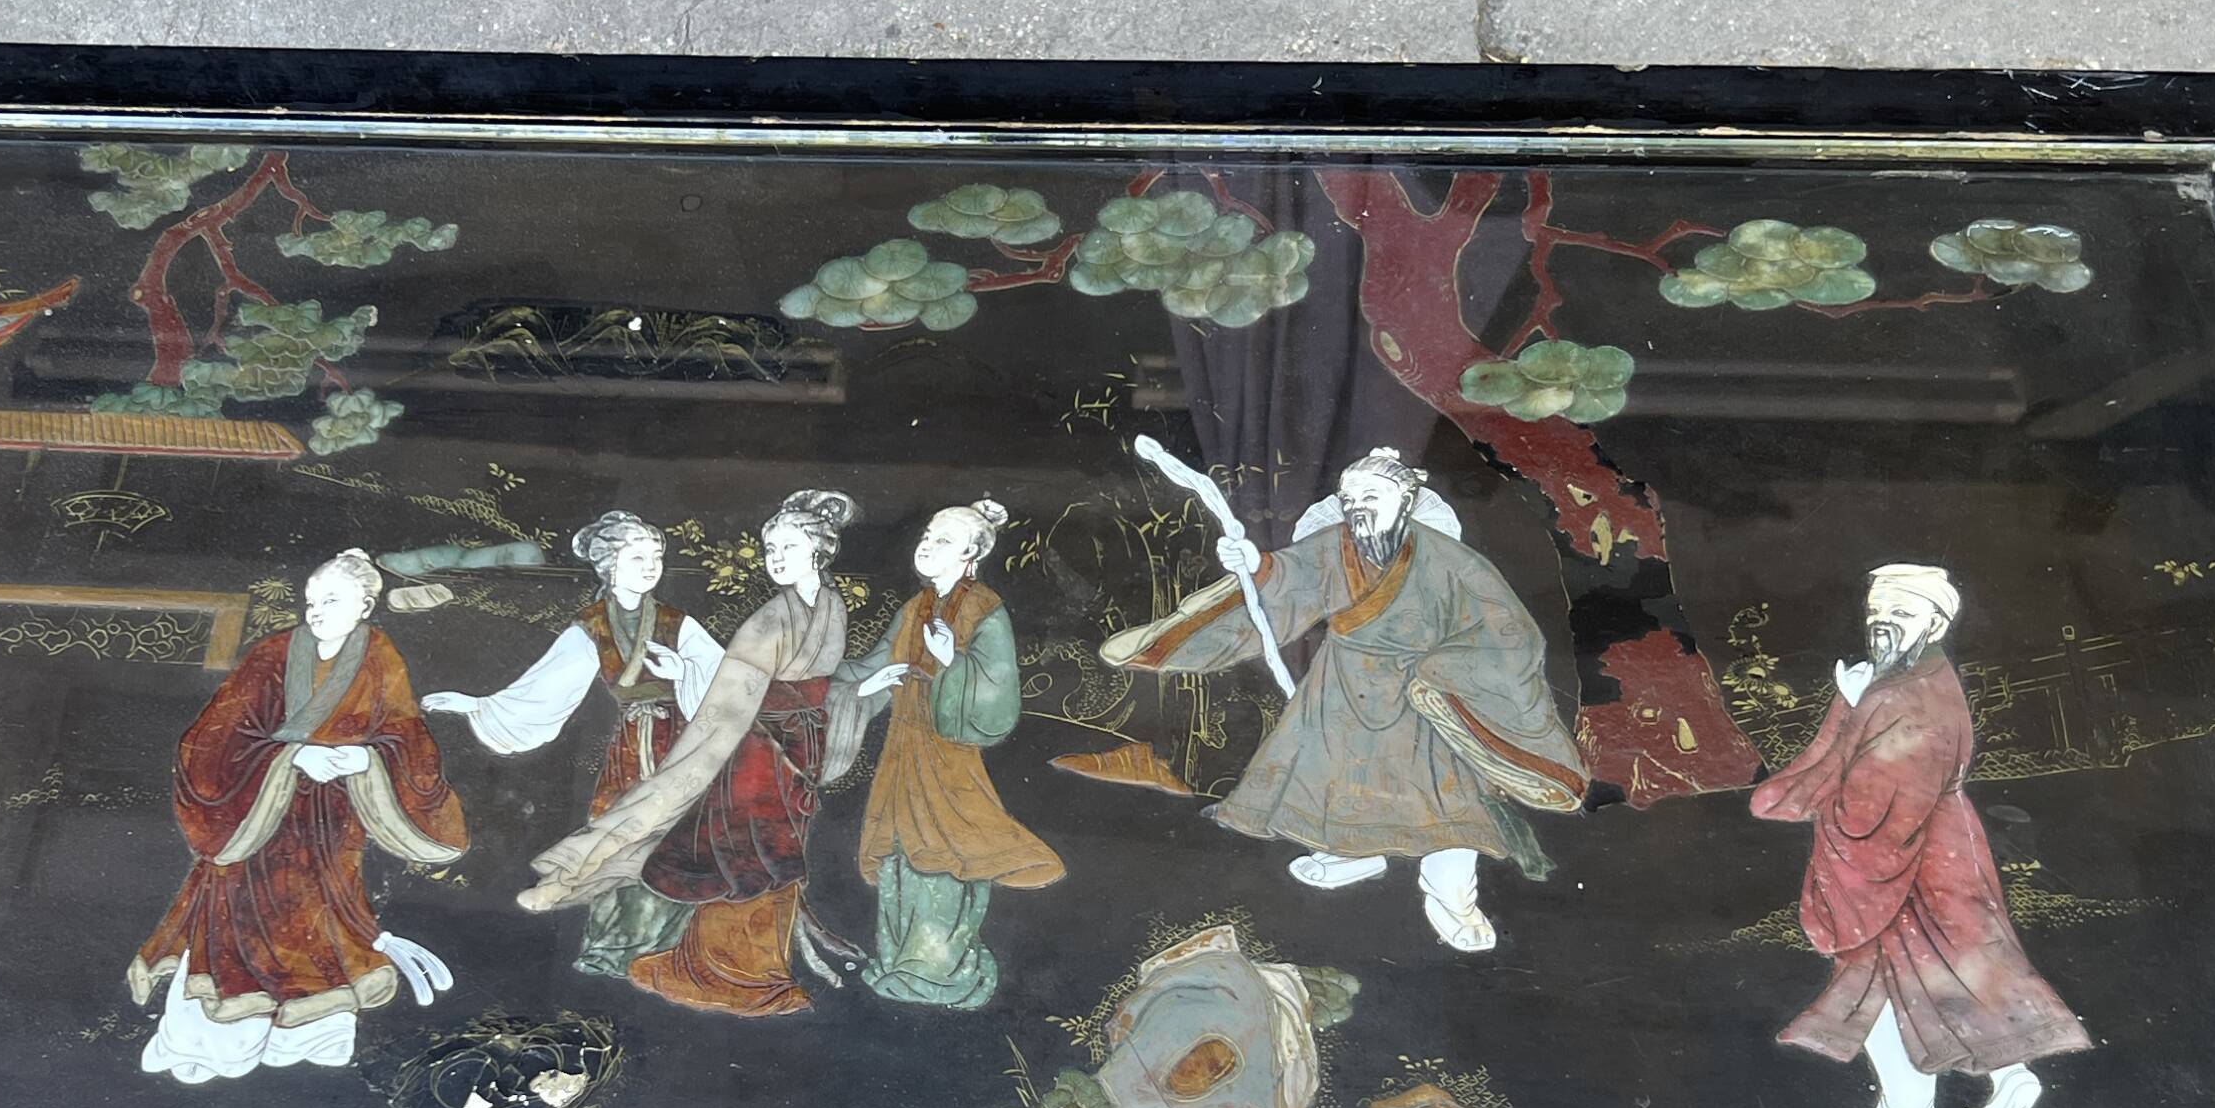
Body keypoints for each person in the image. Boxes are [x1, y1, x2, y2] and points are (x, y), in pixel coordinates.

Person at [1101, 445, 1584, 953]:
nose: (1358, 506)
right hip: (1343, 689)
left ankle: (1452, 897)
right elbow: (1292, 582)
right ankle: (1357, 855)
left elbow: (1509, 635)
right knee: (1337, 779)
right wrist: (1257, 566)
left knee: (1447, 803)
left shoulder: (1451, 561)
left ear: (1406, 498)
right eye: (1350, 497)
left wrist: (1442, 671)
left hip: (1424, 699)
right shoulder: (1337, 546)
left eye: (1371, 495)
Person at [1746, 562, 2091, 1108]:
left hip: (1911, 859)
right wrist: (1853, 703)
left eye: (1901, 613)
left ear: (1936, 621)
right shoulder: (1899, 682)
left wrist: (1853, 712)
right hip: (1936, 850)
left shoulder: (1911, 695)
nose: (1882, 624)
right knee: (1929, 980)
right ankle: (1958, 1095)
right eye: (1876, 612)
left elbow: (1871, 804)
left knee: (1905, 982)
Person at [516, 488, 861, 1018]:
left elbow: (800, 681)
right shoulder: (767, 620)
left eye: (787, 548)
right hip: (751, 752)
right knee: (739, 854)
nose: (776, 560)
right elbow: (729, 696)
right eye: (771, 550)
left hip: (797, 747)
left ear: (818, 549)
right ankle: (719, 969)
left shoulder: (828, 604)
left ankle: (763, 968)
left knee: (771, 856)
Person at [129, 547, 466, 1083]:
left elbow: (407, 735)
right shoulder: (273, 653)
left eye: (331, 599)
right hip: (256, 815)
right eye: (311, 600)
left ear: (365, 605)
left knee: (321, 928)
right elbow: (214, 737)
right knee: (236, 924)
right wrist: (289, 756)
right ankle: (209, 1044)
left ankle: (309, 1041)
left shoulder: (379, 655)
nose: (316, 610)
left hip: (332, 822)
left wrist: (364, 757)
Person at [424, 510, 718, 980]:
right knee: (616, 838)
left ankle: (666, 949)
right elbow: (544, 689)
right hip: (630, 749)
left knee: (679, 840)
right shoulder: (591, 628)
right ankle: (609, 950)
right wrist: (476, 706)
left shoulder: (676, 623)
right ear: (609, 566)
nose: (650, 566)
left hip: (682, 745)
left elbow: (730, 679)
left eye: (656, 557)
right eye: (637, 557)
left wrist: (685, 673)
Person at [844, 498, 1063, 1008]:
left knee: (947, 852)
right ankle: (899, 960)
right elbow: (876, 664)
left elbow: (999, 695)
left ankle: (936, 970)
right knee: (901, 852)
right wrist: (858, 686)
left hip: (948, 750)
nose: (926, 547)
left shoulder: (985, 609)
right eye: (926, 537)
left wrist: (951, 663)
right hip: (903, 745)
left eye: (942, 540)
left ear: (970, 553)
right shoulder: (914, 608)